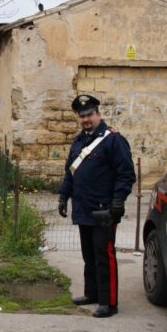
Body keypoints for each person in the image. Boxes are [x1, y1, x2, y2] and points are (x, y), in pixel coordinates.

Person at [58, 94, 135, 318]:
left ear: (98, 114)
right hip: (83, 207)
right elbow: (70, 172)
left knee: (104, 256)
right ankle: (92, 294)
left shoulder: (113, 140)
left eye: (89, 114)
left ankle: (108, 302)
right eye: (82, 116)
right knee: (89, 255)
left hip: (104, 209)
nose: (86, 119)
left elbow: (126, 174)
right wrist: (64, 196)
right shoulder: (79, 141)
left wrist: (118, 200)